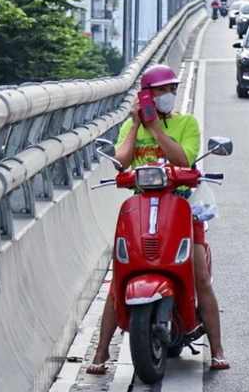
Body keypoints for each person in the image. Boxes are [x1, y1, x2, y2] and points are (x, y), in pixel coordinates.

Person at [87, 65, 229, 373]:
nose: (168, 95)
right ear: (146, 96)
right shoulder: (131, 127)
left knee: (199, 273)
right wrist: (137, 126)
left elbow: (184, 159)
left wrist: (155, 129)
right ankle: (101, 352)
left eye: (171, 89)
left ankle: (216, 348)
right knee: (119, 276)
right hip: (142, 206)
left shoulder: (187, 123)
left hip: (180, 206)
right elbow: (120, 163)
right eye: (161, 90)